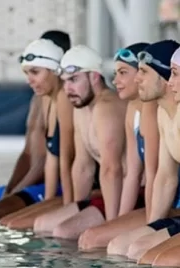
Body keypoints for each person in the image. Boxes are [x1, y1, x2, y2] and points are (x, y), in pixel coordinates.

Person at [0, 30, 72, 220]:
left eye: (35, 71)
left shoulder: (65, 100)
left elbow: (52, 161)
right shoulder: (39, 99)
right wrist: (11, 188)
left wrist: (20, 192)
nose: (30, 79)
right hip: (33, 181)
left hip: (51, 184)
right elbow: (28, 153)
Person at [33, 45, 130, 240]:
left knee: (65, 232)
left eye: (74, 80)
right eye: (65, 82)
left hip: (133, 195)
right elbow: (83, 166)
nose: (68, 89)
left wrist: (112, 224)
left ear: (94, 77)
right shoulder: (81, 109)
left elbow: (113, 170)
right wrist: (78, 206)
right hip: (110, 192)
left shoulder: (106, 107)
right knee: (41, 225)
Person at [78, 43, 159, 251]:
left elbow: (155, 178)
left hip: (165, 204)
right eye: (115, 74)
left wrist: (153, 227)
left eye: (123, 73)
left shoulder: (152, 109)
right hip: (153, 199)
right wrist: (118, 222)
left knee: (107, 243)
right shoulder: (133, 109)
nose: (115, 81)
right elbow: (131, 174)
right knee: (94, 238)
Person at [106, 40, 180, 263]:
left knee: (151, 258)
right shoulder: (163, 115)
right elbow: (164, 177)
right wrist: (154, 227)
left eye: (144, 72)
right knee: (124, 248)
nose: (137, 78)